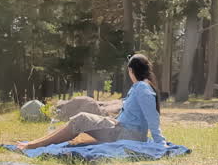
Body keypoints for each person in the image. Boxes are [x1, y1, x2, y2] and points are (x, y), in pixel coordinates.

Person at [16, 54, 165, 150]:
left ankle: (35, 145)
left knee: (81, 118)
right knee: (81, 121)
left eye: (129, 72)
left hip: (128, 135)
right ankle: (36, 142)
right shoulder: (141, 86)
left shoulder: (142, 88)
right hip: (123, 129)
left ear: (132, 71)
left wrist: (160, 143)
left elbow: (152, 118)